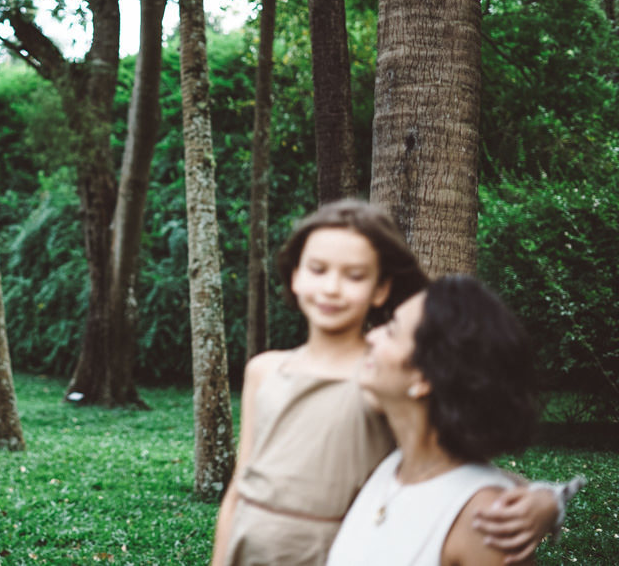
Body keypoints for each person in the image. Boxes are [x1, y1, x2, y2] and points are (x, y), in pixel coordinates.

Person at [210, 199, 562, 566]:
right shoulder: (265, 369)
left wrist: (544, 499)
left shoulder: (384, 375)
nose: (331, 288)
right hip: (245, 545)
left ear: (380, 289)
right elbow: (238, 487)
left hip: (326, 551)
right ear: (295, 275)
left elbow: (448, 461)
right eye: (317, 269)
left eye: (354, 275)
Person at [327, 275, 585, 565]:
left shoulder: (486, 524)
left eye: (391, 331)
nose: (371, 336)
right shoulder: (390, 468)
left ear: (424, 378)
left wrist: (547, 502)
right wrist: (548, 497)